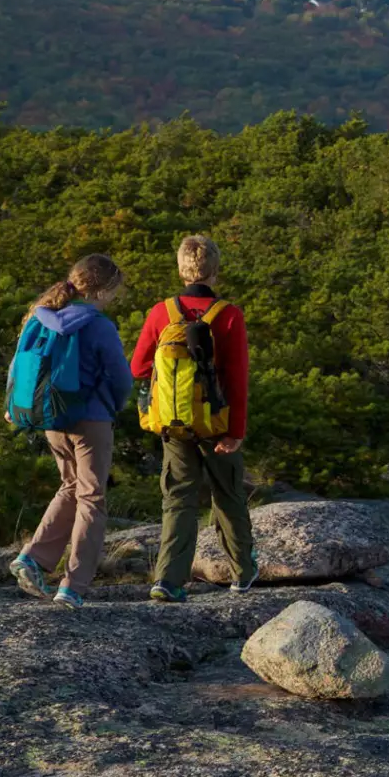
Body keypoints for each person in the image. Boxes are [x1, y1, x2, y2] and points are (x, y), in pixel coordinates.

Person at [133, 233, 257, 602]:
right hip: (217, 423)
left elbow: (138, 367)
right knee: (229, 495)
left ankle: (168, 581)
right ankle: (243, 573)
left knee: (178, 500)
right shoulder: (229, 315)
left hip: (173, 423)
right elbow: (236, 378)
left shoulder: (161, 312)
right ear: (215, 270)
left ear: (181, 268)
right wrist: (235, 431)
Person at [7, 254, 133, 609]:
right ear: (103, 290)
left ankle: (32, 557)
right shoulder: (99, 325)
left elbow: (19, 365)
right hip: (90, 419)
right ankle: (73, 586)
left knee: (71, 486)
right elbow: (121, 378)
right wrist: (114, 405)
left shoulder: (40, 315)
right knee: (92, 497)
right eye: (114, 291)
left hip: (50, 419)